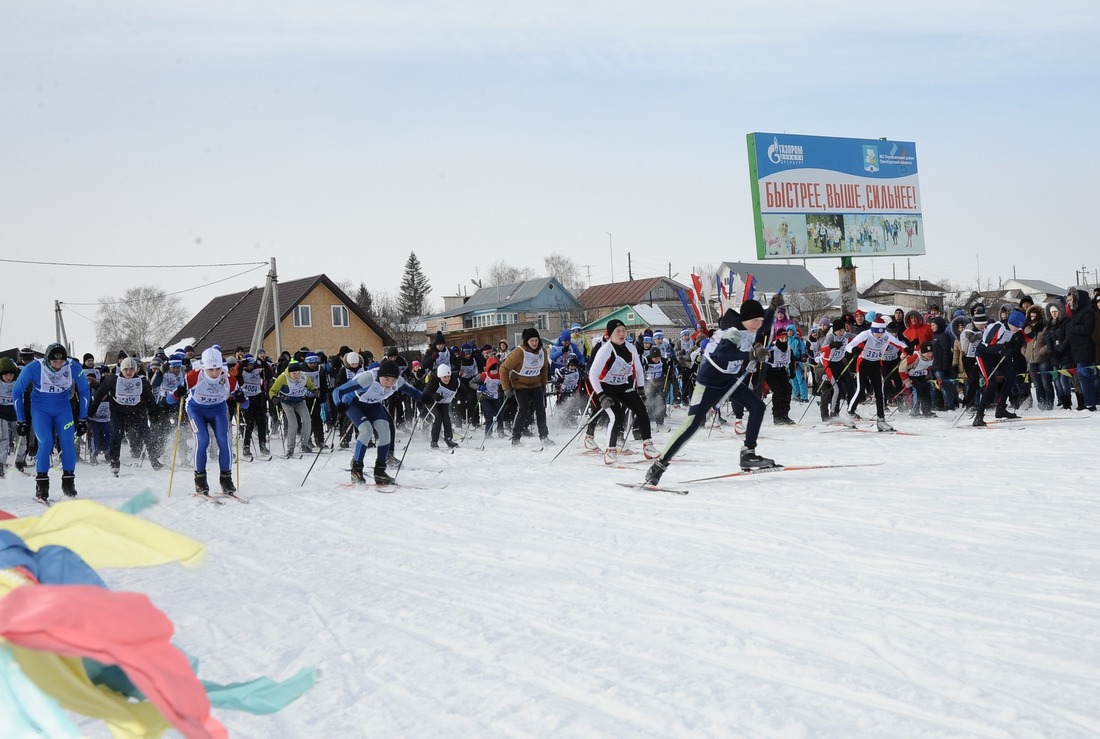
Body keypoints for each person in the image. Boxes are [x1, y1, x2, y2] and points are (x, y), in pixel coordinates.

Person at [645, 300, 776, 486]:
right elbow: (721, 355)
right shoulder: (734, 333)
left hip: (729, 380)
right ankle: (658, 466)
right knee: (692, 424)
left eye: (760, 320)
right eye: (755, 320)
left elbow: (764, 327)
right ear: (745, 319)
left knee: (758, 407)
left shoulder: (750, 329)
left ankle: (748, 453)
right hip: (709, 383)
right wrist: (750, 355)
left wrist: (772, 309)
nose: (758, 324)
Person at [12, 343, 91, 501]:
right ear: (47, 359)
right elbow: (17, 391)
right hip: (41, 410)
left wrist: (83, 417)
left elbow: (84, 390)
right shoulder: (34, 368)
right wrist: (21, 420)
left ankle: (68, 482)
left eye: (61, 362)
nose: (58, 365)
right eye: (54, 362)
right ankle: (42, 483)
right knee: (46, 442)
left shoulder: (72, 367)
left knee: (67, 442)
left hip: (63, 410)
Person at [334, 359, 424, 484]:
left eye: (393, 380)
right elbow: (338, 391)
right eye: (386, 379)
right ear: (380, 376)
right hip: (354, 404)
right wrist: (339, 404)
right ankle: (356, 469)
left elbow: (414, 392)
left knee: (384, 429)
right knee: (366, 430)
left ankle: (380, 471)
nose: (389, 383)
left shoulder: (398, 382)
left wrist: (426, 397)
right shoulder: (367, 379)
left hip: (373, 404)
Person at [173, 347, 242, 495]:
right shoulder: (193, 376)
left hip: (218, 410)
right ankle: (200, 479)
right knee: (202, 440)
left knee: (224, 441)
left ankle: (226, 479)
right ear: (204, 367)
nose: (215, 373)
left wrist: (241, 398)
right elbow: (170, 398)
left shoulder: (228, 378)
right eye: (210, 369)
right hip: (196, 410)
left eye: (217, 368)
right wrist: (178, 393)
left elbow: (245, 402)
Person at [585, 319, 656, 463]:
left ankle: (648, 446)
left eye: (624, 330)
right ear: (610, 334)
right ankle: (610, 451)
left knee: (641, 409)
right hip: (605, 387)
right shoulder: (605, 350)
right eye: (618, 331)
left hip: (623, 385)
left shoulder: (631, 348)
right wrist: (601, 396)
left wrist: (641, 390)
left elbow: (638, 369)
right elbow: (593, 374)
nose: (622, 334)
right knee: (616, 415)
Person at [88, 356, 164, 475]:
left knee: (147, 433)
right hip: (118, 412)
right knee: (117, 434)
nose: (129, 372)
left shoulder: (142, 382)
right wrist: (91, 412)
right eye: (126, 369)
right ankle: (115, 461)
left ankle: (154, 460)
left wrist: (153, 414)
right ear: (122, 370)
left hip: (136, 412)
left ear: (136, 370)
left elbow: (150, 399)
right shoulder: (112, 380)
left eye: (131, 369)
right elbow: (99, 394)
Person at [844, 316, 909, 431]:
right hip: (863, 365)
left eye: (881, 333)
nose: (879, 336)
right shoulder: (865, 334)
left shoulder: (885, 335)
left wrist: (907, 349)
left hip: (875, 366)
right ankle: (849, 414)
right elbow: (849, 346)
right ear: (872, 330)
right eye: (876, 333)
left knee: (880, 392)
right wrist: (853, 350)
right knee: (860, 390)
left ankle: (881, 420)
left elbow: (899, 344)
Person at [500, 327, 555, 448]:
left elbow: (545, 368)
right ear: (527, 341)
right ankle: (515, 437)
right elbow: (503, 368)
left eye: (536, 340)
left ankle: (544, 436)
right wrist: (507, 388)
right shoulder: (519, 352)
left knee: (541, 409)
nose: (534, 343)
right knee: (523, 409)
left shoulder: (542, 351)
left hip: (535, 383)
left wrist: (543, 384)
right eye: (532, 341)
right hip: (520, 384)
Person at [973, 310, 1026, 426]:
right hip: (982, 355)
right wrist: (1003, 346)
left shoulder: (1011, 329)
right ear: (1011, 323)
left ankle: (1001, 408)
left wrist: (1011, 346)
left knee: (1011, 376)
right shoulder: (998, 328)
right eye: (1016, 327)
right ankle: (979, 416)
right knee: (991, 384)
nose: (1017, 330)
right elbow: (987, 348)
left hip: (994, 355)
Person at [269, 361, 317, 457]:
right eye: (294, 373)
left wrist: (315, 390)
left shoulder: (304, 376)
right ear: (289, 372)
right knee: (293, 423)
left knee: (307, 420)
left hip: (299, 401)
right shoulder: (283, 377)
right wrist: (274, 397)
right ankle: (290, 447)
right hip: (287, 402)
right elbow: (272, 390)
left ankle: (304, 444)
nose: (296, 375)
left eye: (298, 372)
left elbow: (310, 385)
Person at [1065, 288, 1098, 411]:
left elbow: (1087, 329)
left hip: (1086, 349)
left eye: (1070, 300)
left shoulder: (1087, 311)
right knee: (1083, 377)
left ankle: (1091, 403)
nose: (1068, 302)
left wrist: (1072, 328)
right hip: (1077, 350)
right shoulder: (1076, 313)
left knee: (1085, 376)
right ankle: (1089, 402)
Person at [237, 354, 271, 457]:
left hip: (257, 397)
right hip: (246, 399)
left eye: (252, 364)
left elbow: (270, 375)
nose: (250, 367)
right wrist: (239, 364)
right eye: (248, 365)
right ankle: (246, 447)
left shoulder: (258, 370)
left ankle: (262, 444)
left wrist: (264, 363)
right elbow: (235, 375)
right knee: (249, 423)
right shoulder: (241, 372)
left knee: (261, 422)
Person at [423, 362, 460, 449]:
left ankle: (448, 439)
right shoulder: (433, 381)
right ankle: (434, 441)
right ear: (439, 377)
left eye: (448, 377)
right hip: (432, 402)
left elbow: (461, 388)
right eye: (444, 377)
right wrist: (434, 395)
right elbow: (425, 394)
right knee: (438, 417)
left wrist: (465, 398)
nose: (447, 379)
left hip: (444, 402)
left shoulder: (454, 380)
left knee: (446, 418)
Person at [0, 357, 19, 478]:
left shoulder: (17, 383)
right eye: (6, 375)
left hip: (16, 413)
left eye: (11, 374)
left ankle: (19, 461)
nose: (9, 377)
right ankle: (1, 463)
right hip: (2, 413)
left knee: (21, 439)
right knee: (4, 438)